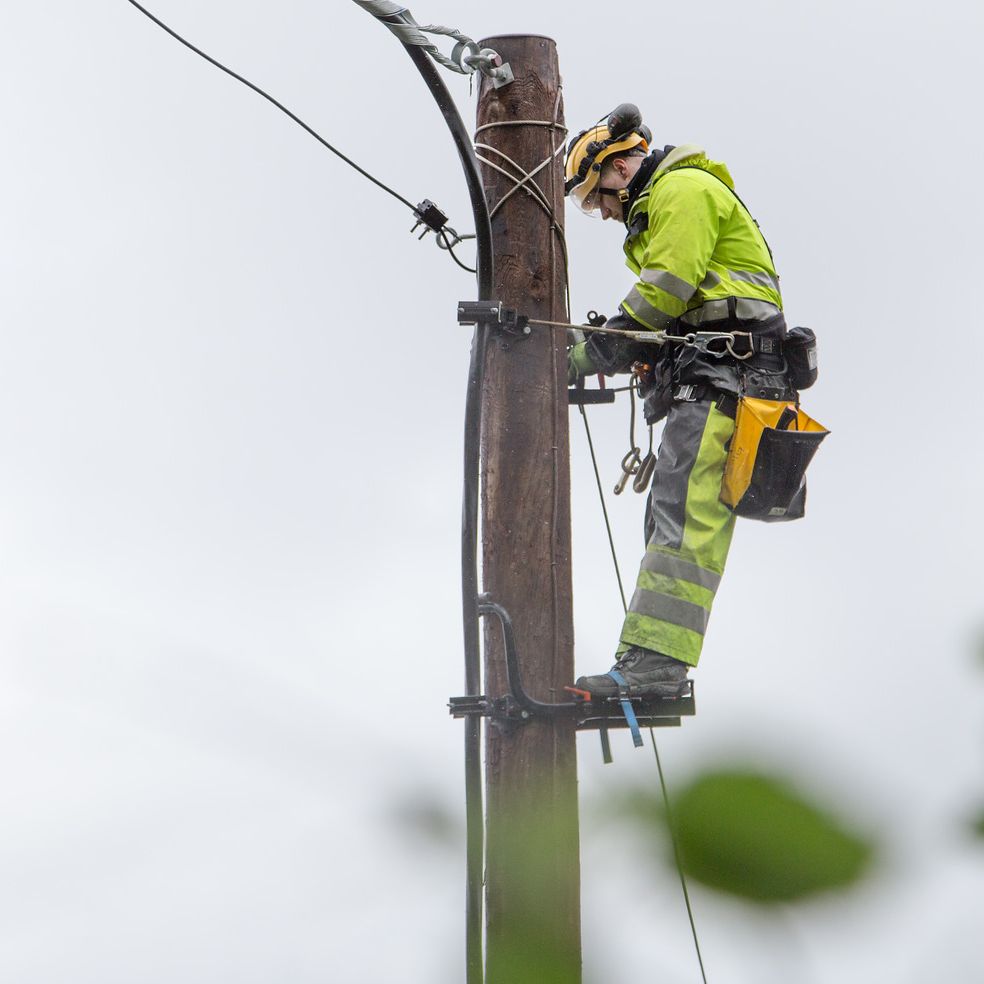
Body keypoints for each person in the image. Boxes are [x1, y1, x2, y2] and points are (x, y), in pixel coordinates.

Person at [565, 104, 796, 698]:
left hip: (727, 381)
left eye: (597, 199)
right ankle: (646, 658)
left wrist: (595, 351)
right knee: (671, 520)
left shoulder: (684, 190)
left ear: (619, 169)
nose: (604, 212)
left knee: (683, 525)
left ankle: (655, 670)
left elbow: (666, 289)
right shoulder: (670, 200)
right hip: (721, 379)